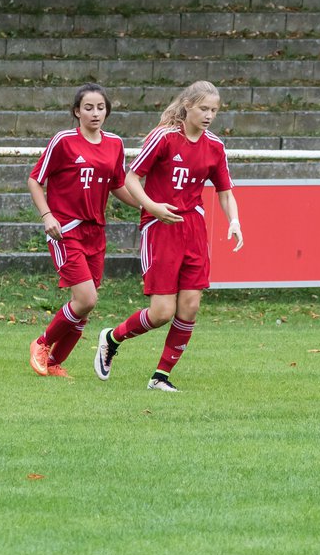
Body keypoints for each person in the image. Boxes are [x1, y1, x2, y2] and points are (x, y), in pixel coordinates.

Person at [94, 81, 243, 392]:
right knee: (162, 312)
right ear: (187, 105)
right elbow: (131, 177)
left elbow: (225, 191)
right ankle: (112, 338)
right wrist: (151, 206)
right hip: (160, 227)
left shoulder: (215, 145)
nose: (209, 115)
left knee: (190, 306)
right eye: (204, 108)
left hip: (194, 228)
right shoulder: (163, 137)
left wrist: (235, 221)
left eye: (214, 110)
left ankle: (160, 376)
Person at [27, 83, 138, 378]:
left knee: (84, 307)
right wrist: (47, 215)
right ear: (77, 112)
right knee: (86, 299)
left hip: (95, 232)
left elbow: (118, 185)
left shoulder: (114, 143)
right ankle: (41, 343)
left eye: (100, 108)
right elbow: (35, 180)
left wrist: (146, 205)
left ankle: (54, 363)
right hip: (65, 230)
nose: (95, 113)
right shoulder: (63, 141)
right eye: (88, 107)